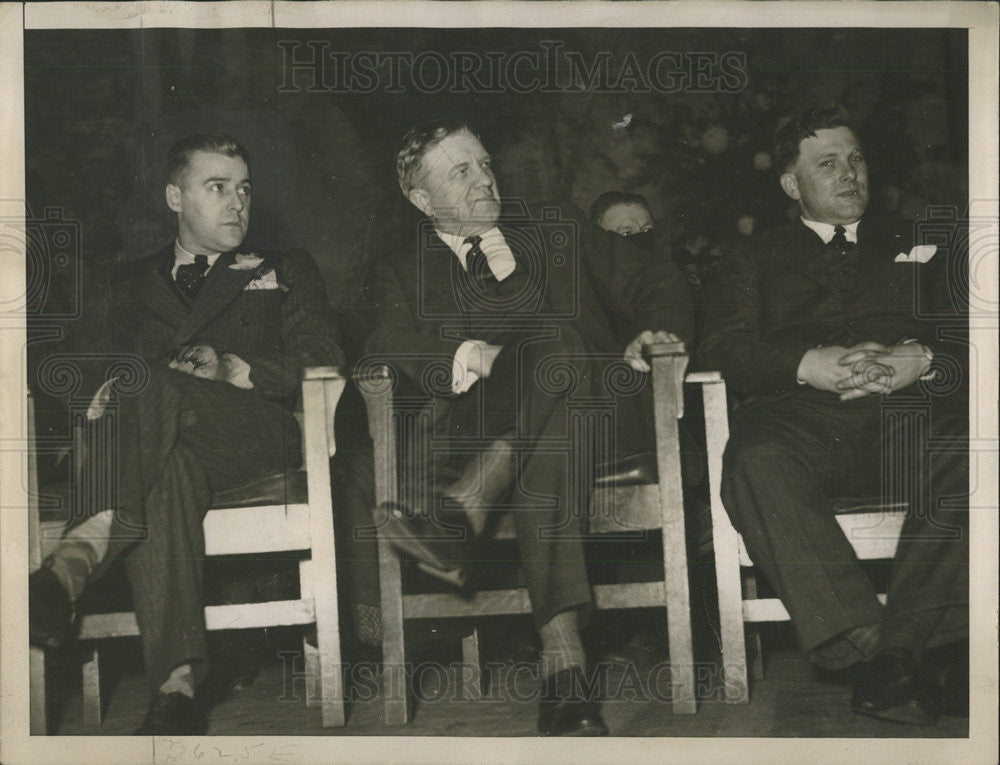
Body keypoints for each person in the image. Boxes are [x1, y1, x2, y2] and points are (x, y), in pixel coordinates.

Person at [364, 119, 693, 736]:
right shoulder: (398, 269)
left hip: (604, 420)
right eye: (460, 171)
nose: (484, 177)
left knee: (557, 348)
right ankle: (563, 662)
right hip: (484, 424)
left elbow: (658, 281)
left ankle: (469, 504)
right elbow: (384, 343)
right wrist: (471, 356)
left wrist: (658, 336)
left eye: (484, 163)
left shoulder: (556, 225)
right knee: (550, 403)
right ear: (420, 199)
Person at [29, 133, 344, 734]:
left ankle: (72, 562)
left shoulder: (286, 267)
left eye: (244, 189)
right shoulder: (121, 284)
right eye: (217, 187)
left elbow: (322, 357)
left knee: (148, 386)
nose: (237, 203)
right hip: (153, 451)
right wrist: (98, 390)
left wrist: (237, 367)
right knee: (164, 464)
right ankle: (175, 689)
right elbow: (67, 372)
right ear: (175, 196)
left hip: (256, 437)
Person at [699, 105, 968, 725]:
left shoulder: (921, 239)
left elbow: (977, 332)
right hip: (803, 422)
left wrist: (921, 356)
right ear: (792, 184)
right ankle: (883, 648)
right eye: (828, 164)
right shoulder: (751, 256)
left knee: (976, 446)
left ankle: (899, 654)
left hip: (911, 416)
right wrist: (806, 362)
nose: (850, 174)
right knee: (753, 462)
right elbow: (723, 346)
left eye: (856, 159)